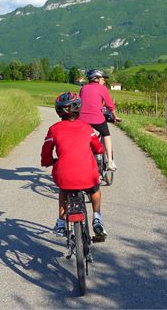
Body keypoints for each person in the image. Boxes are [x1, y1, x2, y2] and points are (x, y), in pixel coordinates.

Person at [41, 91, 108, 238]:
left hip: (64, 176)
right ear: (79, 108)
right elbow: (99, 148)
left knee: (63, 190)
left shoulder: (53, 129)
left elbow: (46, 155)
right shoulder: (87, 128)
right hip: (87, 175)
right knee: (95, 190)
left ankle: (61, 222)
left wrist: (48, 162)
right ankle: (97, 217)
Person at [79, 69, 120, 171]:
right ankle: (110, 161)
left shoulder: (83, 88)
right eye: (102, 79)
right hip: (97, 119)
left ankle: (82, 160)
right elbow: (110, 105)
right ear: (96, 79)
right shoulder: (102, 89)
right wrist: (115, 116)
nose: (104, 81)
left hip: (82, 120)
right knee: (106, 134)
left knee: (85, 138)